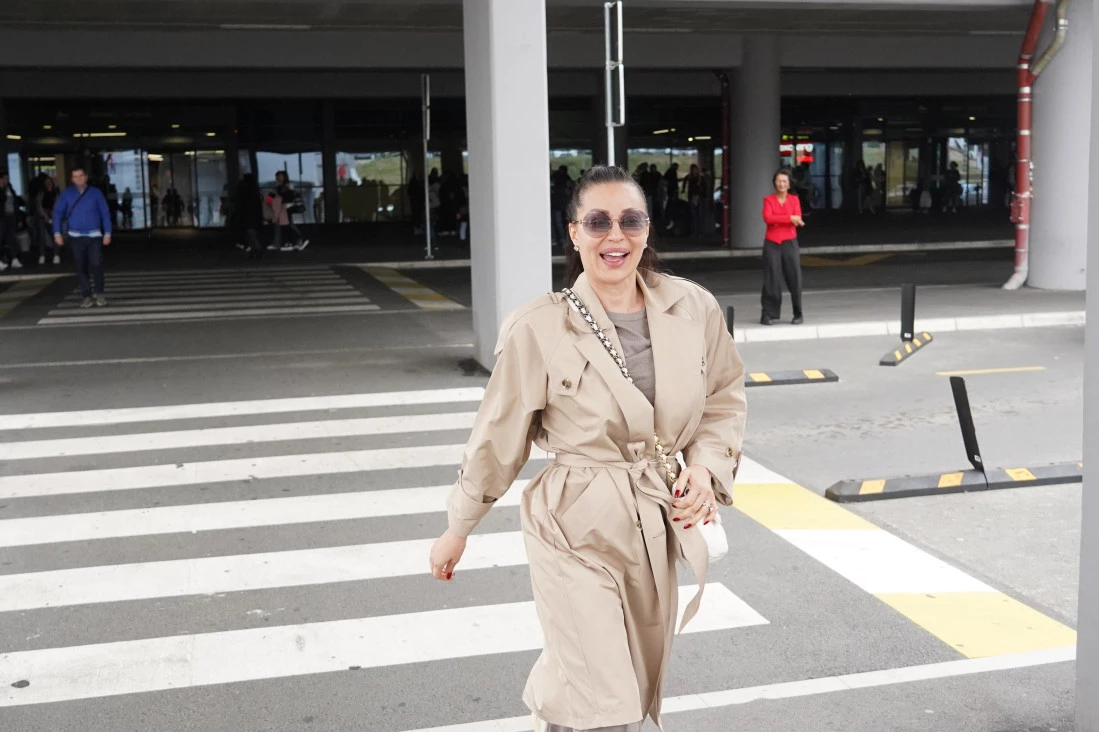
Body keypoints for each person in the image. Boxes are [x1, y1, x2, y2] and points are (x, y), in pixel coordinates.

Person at [429, 164, 747, 732]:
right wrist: (459, 526)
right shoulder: (539, 327)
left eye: (630, 221)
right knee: (605, 698)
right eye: (598, 222)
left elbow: (723, 397)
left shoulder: (692, 307)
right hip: (572, 524)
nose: (615, 236)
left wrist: (704, 469)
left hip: (655, 516)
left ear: (647, 229)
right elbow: (499, 434)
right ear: (574, 233)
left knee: (623, 678)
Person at [53, 166, 112, 308]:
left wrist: (108, 233)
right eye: (75, 176)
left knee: (96, 264)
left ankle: (99, 292)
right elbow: (57, 213)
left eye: (81, 176)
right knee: (81, 266)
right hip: (75, 236)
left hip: (94, 235)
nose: (79, 179)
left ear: (85, 177)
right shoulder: (67, 194)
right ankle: (86, 295)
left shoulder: (95, 193)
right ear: (72, 179)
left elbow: (105, 212)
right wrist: (57, 233)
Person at [760, 167, 805, 326]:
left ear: (789, 184)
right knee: (771, 278)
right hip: (772, 242)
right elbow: (768, 218)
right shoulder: (768, 200)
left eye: (784, 181)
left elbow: (798, 218)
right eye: (778, 181)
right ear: (774, 183)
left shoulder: (794, 200)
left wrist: (783, 219)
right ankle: (768, 314)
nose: (781, 184)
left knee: (794, 277)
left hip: (789, 242)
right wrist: (789, 218)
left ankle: (798, 313)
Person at [0, 172, 25, 271]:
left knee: (12, 238)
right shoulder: (2, 190)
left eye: (7, 178)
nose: (6, 180)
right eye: (4, 178)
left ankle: (14, 259)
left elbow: (16, 204)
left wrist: (19, 219)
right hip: (2, 216)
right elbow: (2, 198)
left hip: (11, 216)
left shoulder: (10, 189)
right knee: (1, 237)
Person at [34, 176, 60, 265]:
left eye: (49, 182)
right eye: (46, 182)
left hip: (53, 216)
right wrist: (44, 215)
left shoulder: (56, 193)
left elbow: (58, 204)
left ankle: (56, 255)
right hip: (42, 216)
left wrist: (52, 213)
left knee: (54, 235)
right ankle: (42, 255)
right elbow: (38, 205)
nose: (48, 184)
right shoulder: (41, 193)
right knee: (41, 236)